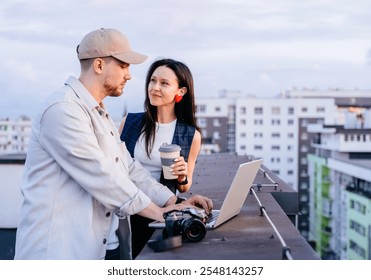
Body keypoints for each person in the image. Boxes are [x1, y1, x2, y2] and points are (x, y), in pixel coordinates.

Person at [14, 28, 212, 260]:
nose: (129, 75)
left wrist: (175, 202)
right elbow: (103, 177)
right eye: (124, 66)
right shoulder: (63, 110)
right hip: (54, 252)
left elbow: (127, 168)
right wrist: (160, 213)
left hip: (91, 248)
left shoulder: (97, 112)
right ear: (99, 65)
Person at [118, 58, 202, 258]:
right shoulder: (129, 122)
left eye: (164, 83)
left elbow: (184, 186)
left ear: (180, 92)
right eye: (153, 81)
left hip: (161, 212)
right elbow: (119, 167)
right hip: (127, 210)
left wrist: (181, 177)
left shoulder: (190, 134)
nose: (155, 87)